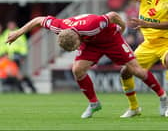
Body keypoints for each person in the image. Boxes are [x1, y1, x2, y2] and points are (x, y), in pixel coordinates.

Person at [6, 12, 168, 118]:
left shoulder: (93, 24)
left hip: (111, 39)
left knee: (135, 70)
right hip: (91, 44)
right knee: (77, 69)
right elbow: (38, 20)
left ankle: (162, 97)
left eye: (75, 46)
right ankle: (94, 103)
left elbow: (112, 15)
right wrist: (18, 33)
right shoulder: (58, 26)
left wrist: (123, 28)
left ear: (78, 38)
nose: (75, 50)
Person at [117, 0, 168, 117]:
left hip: (166, 43)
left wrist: (148, 24)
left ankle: (167, 104)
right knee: (125, 72)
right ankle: (134, 108)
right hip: (148, 44)